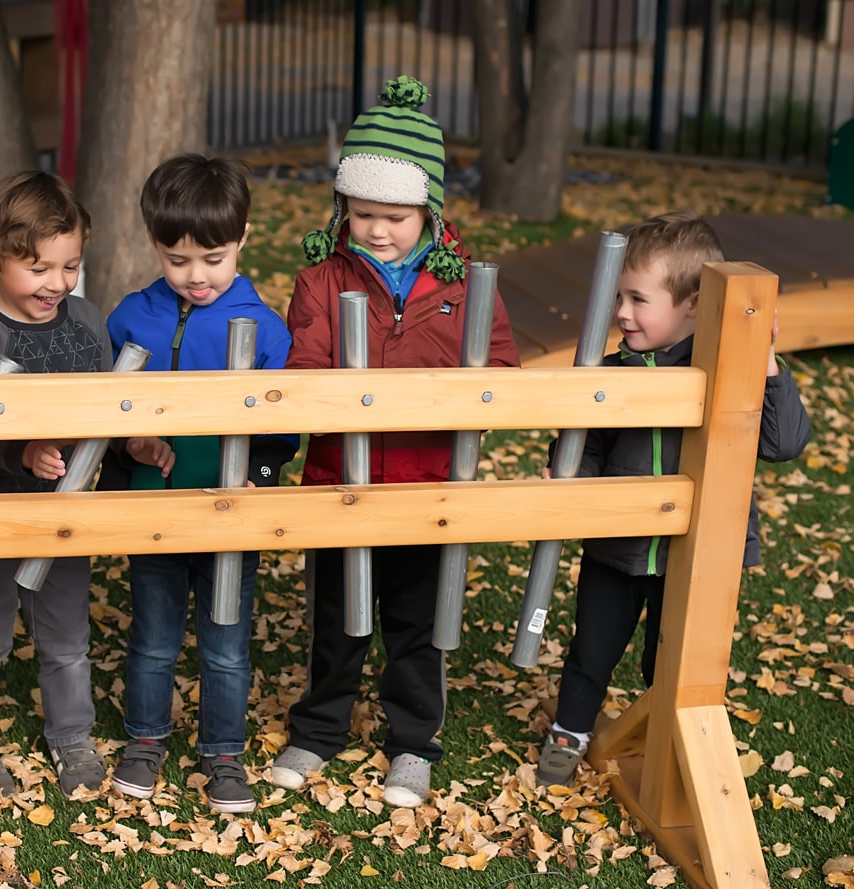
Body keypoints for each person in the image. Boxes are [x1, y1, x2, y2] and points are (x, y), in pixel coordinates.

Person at [266, 75, 521, 808]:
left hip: (426, 484)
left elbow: (496, 370)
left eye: (396, 216)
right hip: (340, 483)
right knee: (335, 622)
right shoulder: (320, 276)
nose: (377, 230)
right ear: (342, 207)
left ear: (430, 212)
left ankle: (414, 740)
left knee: (416, 621)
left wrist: (450, 397)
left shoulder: (465, 286)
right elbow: (306, 366)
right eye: (362, 212)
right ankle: (319, 727)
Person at [535, 210, 811, 786]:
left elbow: (783, 445)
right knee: (592, 648)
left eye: (638, 299)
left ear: (690, 303)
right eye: (618, 297)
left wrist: (763, 363)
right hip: (618, 545)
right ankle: (570, 733)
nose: (621, 313)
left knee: (673, 662)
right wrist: (569, 480)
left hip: (695, 556)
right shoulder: (614, 372)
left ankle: (669, 737)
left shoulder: (729, 371)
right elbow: (586, 448)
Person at [101, 153, 297, 814]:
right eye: (176, 258)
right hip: (155, 510)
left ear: (241, 239)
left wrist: (253, 474)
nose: (196, 275)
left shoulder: (267, 332)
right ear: (155, 244)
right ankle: (145, 739)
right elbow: (110, 410)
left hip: (228, 517)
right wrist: (131, 442)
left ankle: (224, 751)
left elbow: (281, 432)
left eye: (212, 257)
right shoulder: (131, 318)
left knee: (225, 646)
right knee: (153, 638)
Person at [0, 171, 112, 799]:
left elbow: (107, 405)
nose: (57, 284)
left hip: (64, 511)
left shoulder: (88, 321)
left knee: (67, 636)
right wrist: (24, 449)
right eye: (38, 268)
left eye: (70, 267)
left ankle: (72, 737)